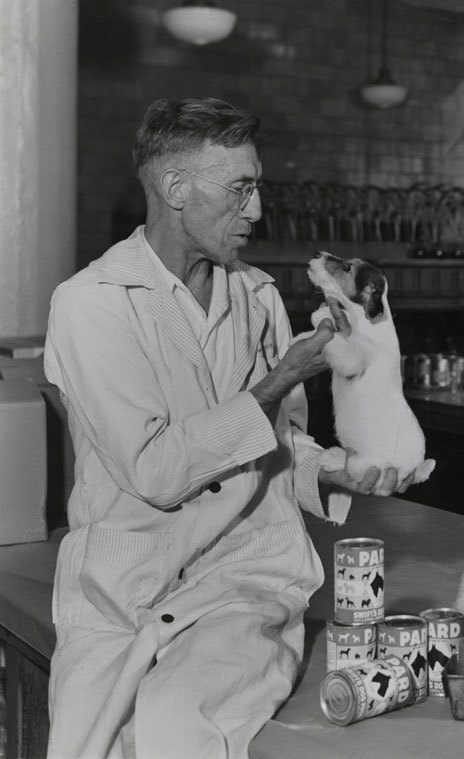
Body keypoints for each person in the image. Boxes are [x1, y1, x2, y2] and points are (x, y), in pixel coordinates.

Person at [43, 97, 411, 759]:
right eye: (241, 188)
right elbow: (155, 470)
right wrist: (273, 383)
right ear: (175, 187)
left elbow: (278, 444)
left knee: (174, 728)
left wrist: (328, 466)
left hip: (244, 581)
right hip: (121, 593)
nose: (257, 210)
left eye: (257, 186)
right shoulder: (91, 305)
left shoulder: (259, 296)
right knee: (84, 743)